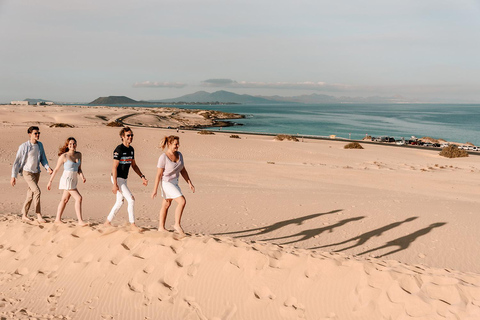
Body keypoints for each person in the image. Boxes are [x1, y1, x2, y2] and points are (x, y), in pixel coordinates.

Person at [104, 127, 148, 229]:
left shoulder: (131, 150)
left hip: (124, 179)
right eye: (128, 135)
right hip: (117, 178)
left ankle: (107, 222)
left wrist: (142, 177)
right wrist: (114, 184)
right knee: (131, 199)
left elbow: (134, 165)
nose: (130, 137)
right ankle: (132, 224)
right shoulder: (118, 150)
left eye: (132, 135)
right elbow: (114, 167)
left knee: (120, 201)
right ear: (122, 137)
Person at [151, 135, 195, 236]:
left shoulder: (179, 155)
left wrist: (189, 183)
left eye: (178, 144)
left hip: (175, 182)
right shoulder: (163, 157)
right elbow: (158, 175)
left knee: (166, 204)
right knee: (182, 201)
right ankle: (177, 224)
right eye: (176, 144)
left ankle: (161, 227)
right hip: (166, 183)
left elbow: (183, 170)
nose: (178, 146)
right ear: (169, 144)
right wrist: (155, 189)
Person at [11, 126, 53, 223]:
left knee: (30, 194)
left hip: (36, 172)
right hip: (27, 172)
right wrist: (13, 176)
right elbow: (17, 162)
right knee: (37, 191)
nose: (37, 135)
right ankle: (38, 214)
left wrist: (48, 168)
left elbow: (43, 159)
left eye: (38, 133)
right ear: (30, 134)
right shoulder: (24, 146)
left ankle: (24, 215)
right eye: (35, 133)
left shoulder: (40, 145)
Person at [47, 137, 87, 226]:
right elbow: (56, 169)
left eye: (74, 143)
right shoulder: (64, 156)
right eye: (70, 144)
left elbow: (79, 169)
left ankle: (57, 219)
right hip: (66, 179)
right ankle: (80, 221)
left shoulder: (79, 154)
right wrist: (50, 181)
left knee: (65, 200)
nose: (72, 145)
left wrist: (82, 177)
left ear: (76, 144)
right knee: (79, 198)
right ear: (68, 145)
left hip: (74, 179)